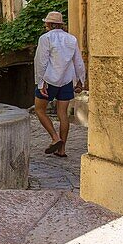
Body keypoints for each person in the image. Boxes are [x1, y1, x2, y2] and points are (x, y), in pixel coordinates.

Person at [34, 10, 86, 157]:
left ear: (50, 24)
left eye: (46, 24)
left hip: (49, 80)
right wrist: (81, 81)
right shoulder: (71, 39)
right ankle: (62, 150)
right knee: (62, 114)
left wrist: (40, 83)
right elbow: (78, 62)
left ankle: (55, 138)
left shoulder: (45, 38)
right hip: (66, 81)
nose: (45, 27)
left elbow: (41, 61)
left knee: (39, 110)